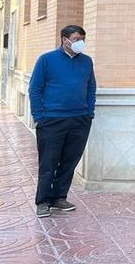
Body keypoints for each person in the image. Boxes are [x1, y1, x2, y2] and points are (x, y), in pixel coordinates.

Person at [29, 25, 96, 218]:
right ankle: (43, 201)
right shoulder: (46, 60)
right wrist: (39, 117)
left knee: (69, 161)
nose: (80, 42)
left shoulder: (86, 61)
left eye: (83, 39)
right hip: (52, 120)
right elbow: (35, 89)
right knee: (48, 161)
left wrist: (88, 112)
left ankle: (59, 197)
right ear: (64, 40)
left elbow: (91, 87)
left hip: (80, 120)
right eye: (76, 39)